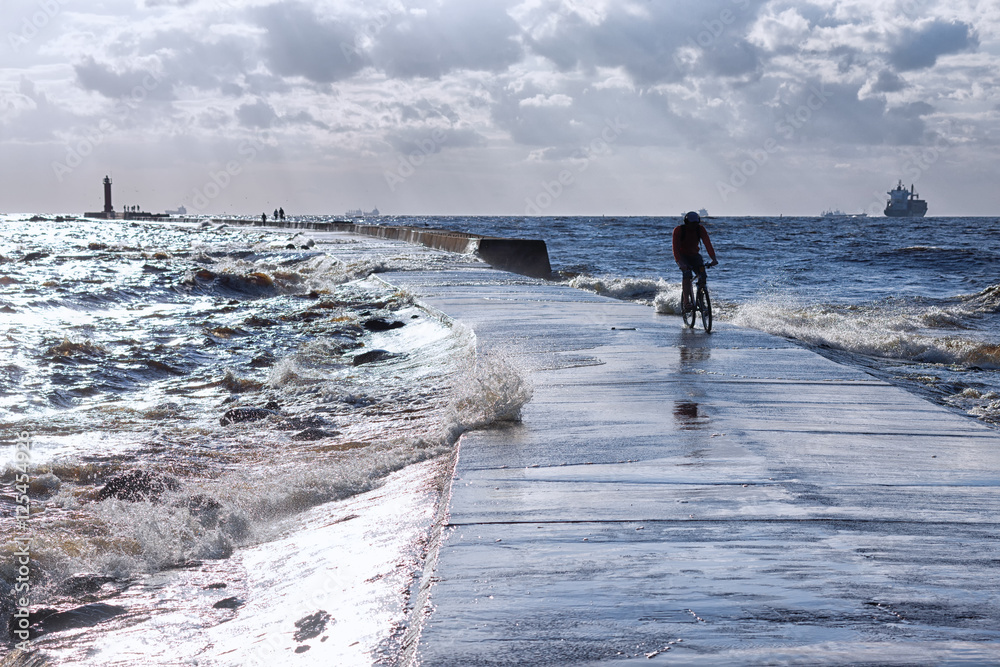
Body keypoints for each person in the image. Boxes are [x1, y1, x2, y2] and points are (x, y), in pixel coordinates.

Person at [672, 211, 718, 310]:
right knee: (687, 274)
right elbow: (675, 249)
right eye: (691, 224)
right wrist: (680, 263)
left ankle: (701, 300)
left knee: (702, 275)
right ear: (686, 222)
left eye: (695, 224)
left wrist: (713, 259)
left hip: (695, 255)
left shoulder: (700, 229)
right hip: (682, 256)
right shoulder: (679, 230)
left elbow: (708, 244)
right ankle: (686, 303)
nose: (693, 226)